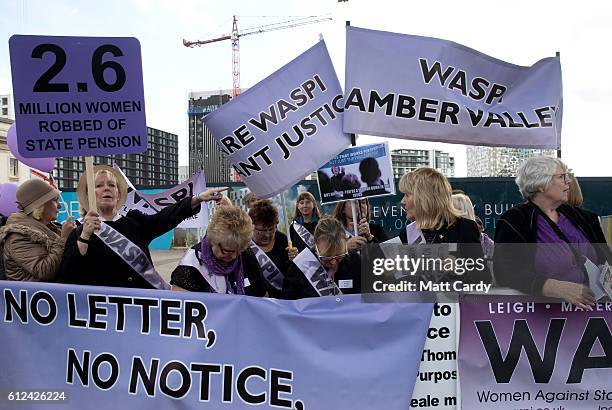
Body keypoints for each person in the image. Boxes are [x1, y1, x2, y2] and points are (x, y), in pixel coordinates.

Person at [60, 165, 225, 289]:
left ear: (118, 194)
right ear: (89, 195)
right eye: (99, 186)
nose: (106, 188)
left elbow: (166, 217)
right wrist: (84, 237)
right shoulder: (79, 231)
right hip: (106, 312)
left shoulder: (134, 223)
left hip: (140, 307)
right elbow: (68, 275)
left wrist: (197, 198)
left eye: (111, 185)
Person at [494, 156, 611, 308]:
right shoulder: (516, 219)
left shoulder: (584, 218)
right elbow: (506, 270)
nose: (568, 181)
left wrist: (606, 268)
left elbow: (605, 256)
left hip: (593, 315)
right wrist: (554, 287)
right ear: (541, 184)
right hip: (541, 320)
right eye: (562, 176)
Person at [398, 167, 491, 284]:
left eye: (407, 195)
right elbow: (400, 285)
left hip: (453, 301)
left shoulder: (464, 228)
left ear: (424, 198)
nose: (402, 201)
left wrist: (459, 269)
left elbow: (484, 279)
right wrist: (388, 272)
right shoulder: (406, 233)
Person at [171, 205, 267, 296]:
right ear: (213, 241)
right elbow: (180, 305)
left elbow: (261, 293)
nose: (234, 256)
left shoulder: (245, 253)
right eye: (227, 251)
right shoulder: (190, 265)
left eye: (239, 250)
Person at [0, 179, 75, 282]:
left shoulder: (50, 228)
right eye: (54, 200)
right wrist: (64, 238)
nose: (59, 206)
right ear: (40, 206)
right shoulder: (18, 236)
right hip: (33, 296)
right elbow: (44, 271)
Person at [283, 216, 361, 299]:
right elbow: (288, 302)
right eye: (326, 257)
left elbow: (370, 299)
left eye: (339, 256)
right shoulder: (301, 265)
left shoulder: (355, 261)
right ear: (316, 246)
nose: (333, 262)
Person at [248, 199, 297, 298]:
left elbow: (294, 278)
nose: (267, 234)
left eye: (271, 229)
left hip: (284, 299)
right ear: (252, 226)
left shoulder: (285, 241)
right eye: (262, 230)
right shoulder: (245, 247)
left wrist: (294, 261)